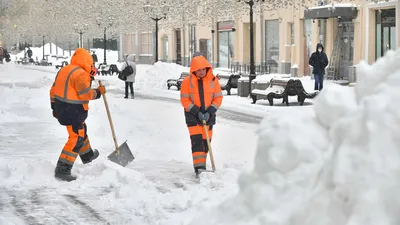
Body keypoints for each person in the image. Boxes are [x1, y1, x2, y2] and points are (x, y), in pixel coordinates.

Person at [49, 48, 105, 182]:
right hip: (72, 111)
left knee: (81, 130)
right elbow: (85, 94)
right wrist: (98, 92)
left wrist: (54, 107)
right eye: (91, 64)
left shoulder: (64, 70)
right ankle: (63, 169)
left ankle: (87, 156)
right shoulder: (81, 74)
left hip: (63, 109)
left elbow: (52, 90)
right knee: (77, 137)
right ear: (87, 62)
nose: (92, 67)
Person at [180, 51, 223, 176]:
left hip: (209, 116)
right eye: (199, 70)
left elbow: (218, 98)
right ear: (194, 70)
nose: (201, 72)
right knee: (197, 141)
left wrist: (210, 111)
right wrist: (196, 111)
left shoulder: (213, 81)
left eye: (203, 69)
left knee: (206, 141)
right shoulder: (187, 82)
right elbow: (185, 100)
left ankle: (202, 164)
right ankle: (199, 168)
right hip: (193, 116)